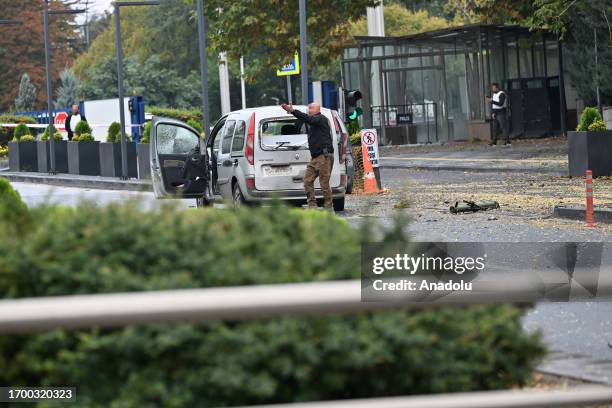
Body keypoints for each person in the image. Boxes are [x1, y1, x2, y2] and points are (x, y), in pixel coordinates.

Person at [281, 102, 334, 210]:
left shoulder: (320, 119)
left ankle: (329, 207)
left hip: (324, 156)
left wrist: (293, 111)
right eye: (308, 108)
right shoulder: (313, 122)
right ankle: (312, 205)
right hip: (315, 157)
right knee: (307, 181)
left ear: (317, 109)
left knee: (324, 183)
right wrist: (293, 112)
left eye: (310, 108)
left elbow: (307, 119)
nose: (308, 109)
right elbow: (306, 119)